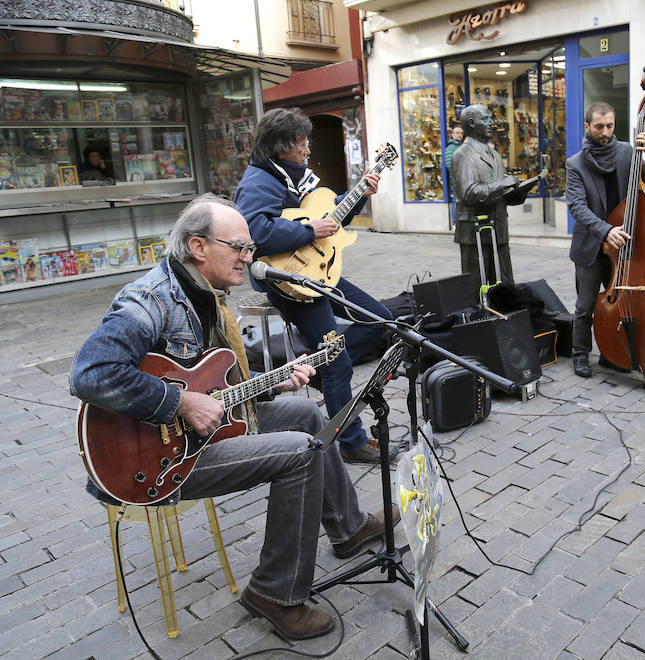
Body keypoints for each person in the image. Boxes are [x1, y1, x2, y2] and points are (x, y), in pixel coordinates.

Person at [70, 194, 398, 640]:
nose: (250, 257)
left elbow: (208, 376)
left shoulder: (204, 295)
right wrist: (180, 403)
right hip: (156, 460)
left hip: (205, 431)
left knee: (303, 411)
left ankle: (348, 528)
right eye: (240, 247)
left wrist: (269, 381)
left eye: (250, 249)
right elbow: (91, 373)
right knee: (301, 452)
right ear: (199, 247)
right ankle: (275, 593)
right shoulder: (151, 299)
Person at [233, 107, 392, 464]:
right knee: (340, 366)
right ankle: (351, 441)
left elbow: (328, 217)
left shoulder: (293, 175)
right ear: (281, 147)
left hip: (319, 271)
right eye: (302, 144)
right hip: (291, 282)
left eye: (307, 143)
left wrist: (360, 194)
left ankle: (321, 367)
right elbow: (255, 231)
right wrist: (308, 231)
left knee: (379, 319)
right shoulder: (259, 181)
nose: (308, 151)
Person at [565, 101, 645, 378]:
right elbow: (577, 206)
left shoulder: (628, 153)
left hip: (623, 246)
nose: (606, 131)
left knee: (619, 303)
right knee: (585, 307)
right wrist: (605, 230)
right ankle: (580, 354)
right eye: (599, 126)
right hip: (592, 245)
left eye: (610, 125)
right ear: (588, 127)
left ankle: (612, 353)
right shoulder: (575, 164)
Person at [452, 104, 536, 297]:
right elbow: (469, 192)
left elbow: (499, 194)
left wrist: (518, 191)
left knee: (506, 286)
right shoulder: (462, 155)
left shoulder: (495, 155)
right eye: (486, 119)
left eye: (491, 118)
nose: (492, 122)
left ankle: (509, 322)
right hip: (475, 232)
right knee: (476, 290)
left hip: (498, 227)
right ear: (471, 123)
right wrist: (503, 185)